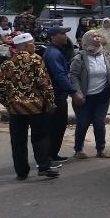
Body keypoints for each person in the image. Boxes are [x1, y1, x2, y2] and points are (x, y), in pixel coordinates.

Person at [0, 33, 59, 179]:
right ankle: (43, 167)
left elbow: (0, 87)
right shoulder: (36, 60)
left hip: (15, 110)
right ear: (26, 46)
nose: (35, 47)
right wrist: (50, 102)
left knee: (18, 141)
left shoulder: (7, 63)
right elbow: (45, 84)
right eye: (33, 44)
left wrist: (8, 102)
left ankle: (21, 173)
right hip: (36, 108)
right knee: (40, 137)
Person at [69, 31, 110, 159]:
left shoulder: (106, 55)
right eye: (93, 37)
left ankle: (101, 149)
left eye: (98, 36)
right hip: (83, 98)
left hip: (102, 97)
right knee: (83, 123)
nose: (97, 38)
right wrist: (77, 93)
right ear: (86, 40)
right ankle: (78, 150)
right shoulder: (79, 58)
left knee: (99, 123)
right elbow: (73, 76)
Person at [42, 26, 75, 163]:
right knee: (56, 126)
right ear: (53, 36)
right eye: (62, 34)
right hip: (56, 96)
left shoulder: (57, 51)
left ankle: (53, 154)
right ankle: (49, 156)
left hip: (58, 95)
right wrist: (73, 92)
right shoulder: (53, 54)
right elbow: (60, 76)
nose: (65, 36)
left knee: (59, 126)